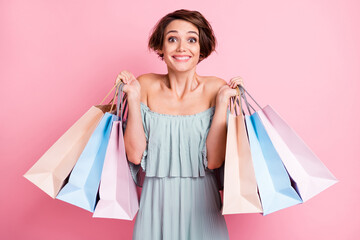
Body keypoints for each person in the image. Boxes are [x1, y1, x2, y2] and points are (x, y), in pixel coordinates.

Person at [116, 9, 243, 240]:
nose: (182, 47)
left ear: (201, 48)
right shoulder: (144, 85)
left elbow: (214, 160)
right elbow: (135, 155)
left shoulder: (216, 88)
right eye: (172, 39)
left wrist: (224, 101)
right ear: (161, 48)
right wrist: (133, 99)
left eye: (191, 39)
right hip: (155, 209)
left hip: (203, 210)